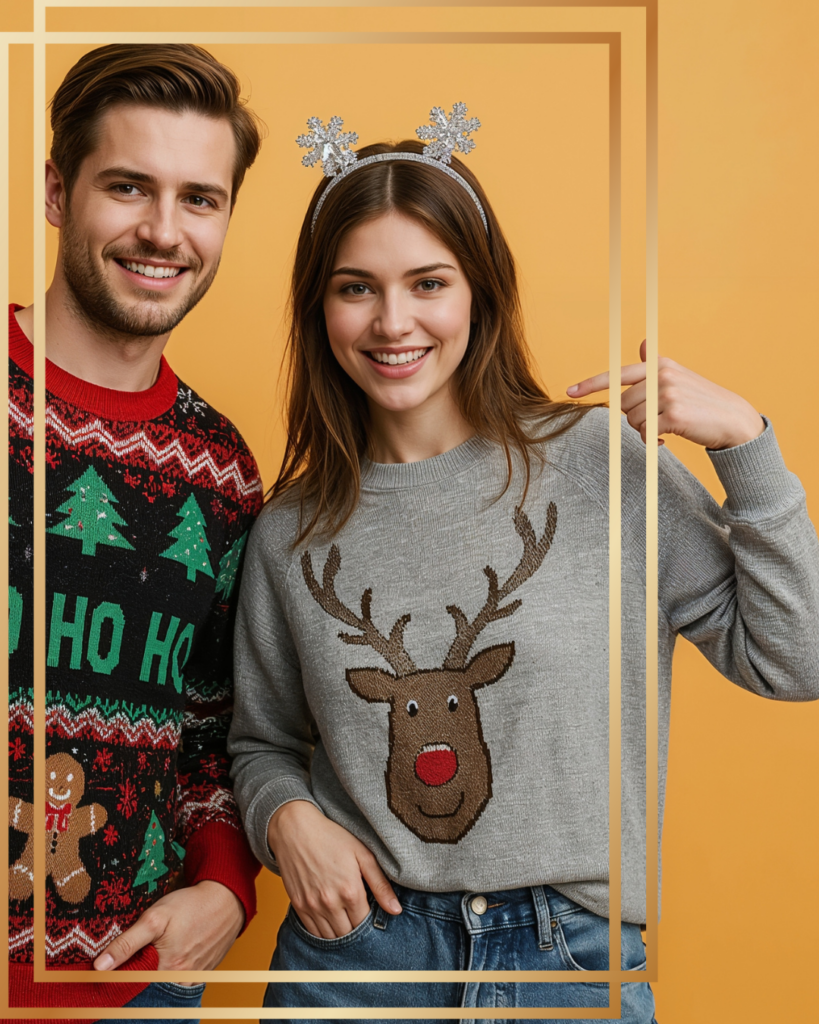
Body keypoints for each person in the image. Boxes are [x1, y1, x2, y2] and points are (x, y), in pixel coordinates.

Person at [227, 109, 819, 1022]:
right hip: (359, 961)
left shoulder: (602, 464)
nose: (393, 323)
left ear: (480, 291)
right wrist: (283, 820)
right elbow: (261, 740)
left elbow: (796, 660)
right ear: (318, 306)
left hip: (569, 964)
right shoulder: (292, 530)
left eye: (428, 282)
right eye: (356, 288)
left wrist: (746, 444)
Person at [7, 44, 264, 1022]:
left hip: (134, 994)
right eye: (128, 186)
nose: (164, 231)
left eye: (200, 198)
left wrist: (227, 888)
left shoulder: (225, 471)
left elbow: (215, 737)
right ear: (58, 191)